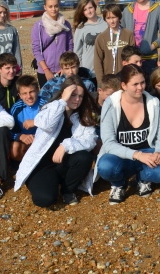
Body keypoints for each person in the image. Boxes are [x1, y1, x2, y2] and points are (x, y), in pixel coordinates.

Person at [13, 76, 98, 207]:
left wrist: (65, 146)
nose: (77, 99)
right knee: (45, 199)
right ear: (64, 93)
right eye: (73, 95)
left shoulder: (83, 115)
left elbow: (90, 140)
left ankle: (68, 190)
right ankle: (40, 180)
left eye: (80, 96)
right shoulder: (50, 108)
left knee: (84, 157)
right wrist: (62, 101)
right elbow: (47, 124)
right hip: (42, 164)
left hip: (64, 163)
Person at [97, 65, 160, 204]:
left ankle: (142, 179)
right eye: (135, 84)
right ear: (124, 85)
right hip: (120, 155)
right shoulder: (111, 104)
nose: (140, 87)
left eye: (142, 82)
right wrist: (138, 155)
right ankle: (119, 184)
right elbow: (108, 143)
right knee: (105, 166)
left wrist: (159, 152)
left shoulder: (153, 103)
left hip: (148, 151)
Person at [121, 0, 160, 77]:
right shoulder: (127, 10)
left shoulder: (157, 9)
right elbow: (122, 32)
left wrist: (152, 46)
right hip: (132, 58)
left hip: (150, 58)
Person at [31, 0, 74, 86]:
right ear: (45, 7)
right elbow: (36, 50)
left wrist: (65, 67)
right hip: (44, 71)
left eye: (56, 6)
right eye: (50, 6)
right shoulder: (39, 26)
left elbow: (70, 47)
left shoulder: (66, 24)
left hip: (62, 70)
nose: (53, 9)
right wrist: (46, 70)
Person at [10, 75, 47, 161]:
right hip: (26, 142)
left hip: (43, 141)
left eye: (31, 92)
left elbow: (54, 124)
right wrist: (20, 136)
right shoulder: (17, 108)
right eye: (24, 93)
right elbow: (8, 131)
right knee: (14, 147)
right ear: (20, 95)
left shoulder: (46, 105)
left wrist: (36, 122)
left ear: (38, 90)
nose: (29, 96)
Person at [94, 4, 136, 78]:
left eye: (114, 17)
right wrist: (100, 81)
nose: (112, 21)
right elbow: (97, 61)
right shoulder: (101, 37)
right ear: (105, 19)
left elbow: (133, 57)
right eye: (108, 18)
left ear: (119, 17)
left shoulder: (129, 34)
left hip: (126, 76)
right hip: (109, 78)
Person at [72, 0, 108, 79]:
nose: (89, 11)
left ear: (95, 7)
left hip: (106, 68)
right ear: (82, 12)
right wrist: (81, 69)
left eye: (90, 8)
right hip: (89, 70)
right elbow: (77, 52)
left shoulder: (106, 23)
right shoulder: (81, 28)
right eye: (85, 9)